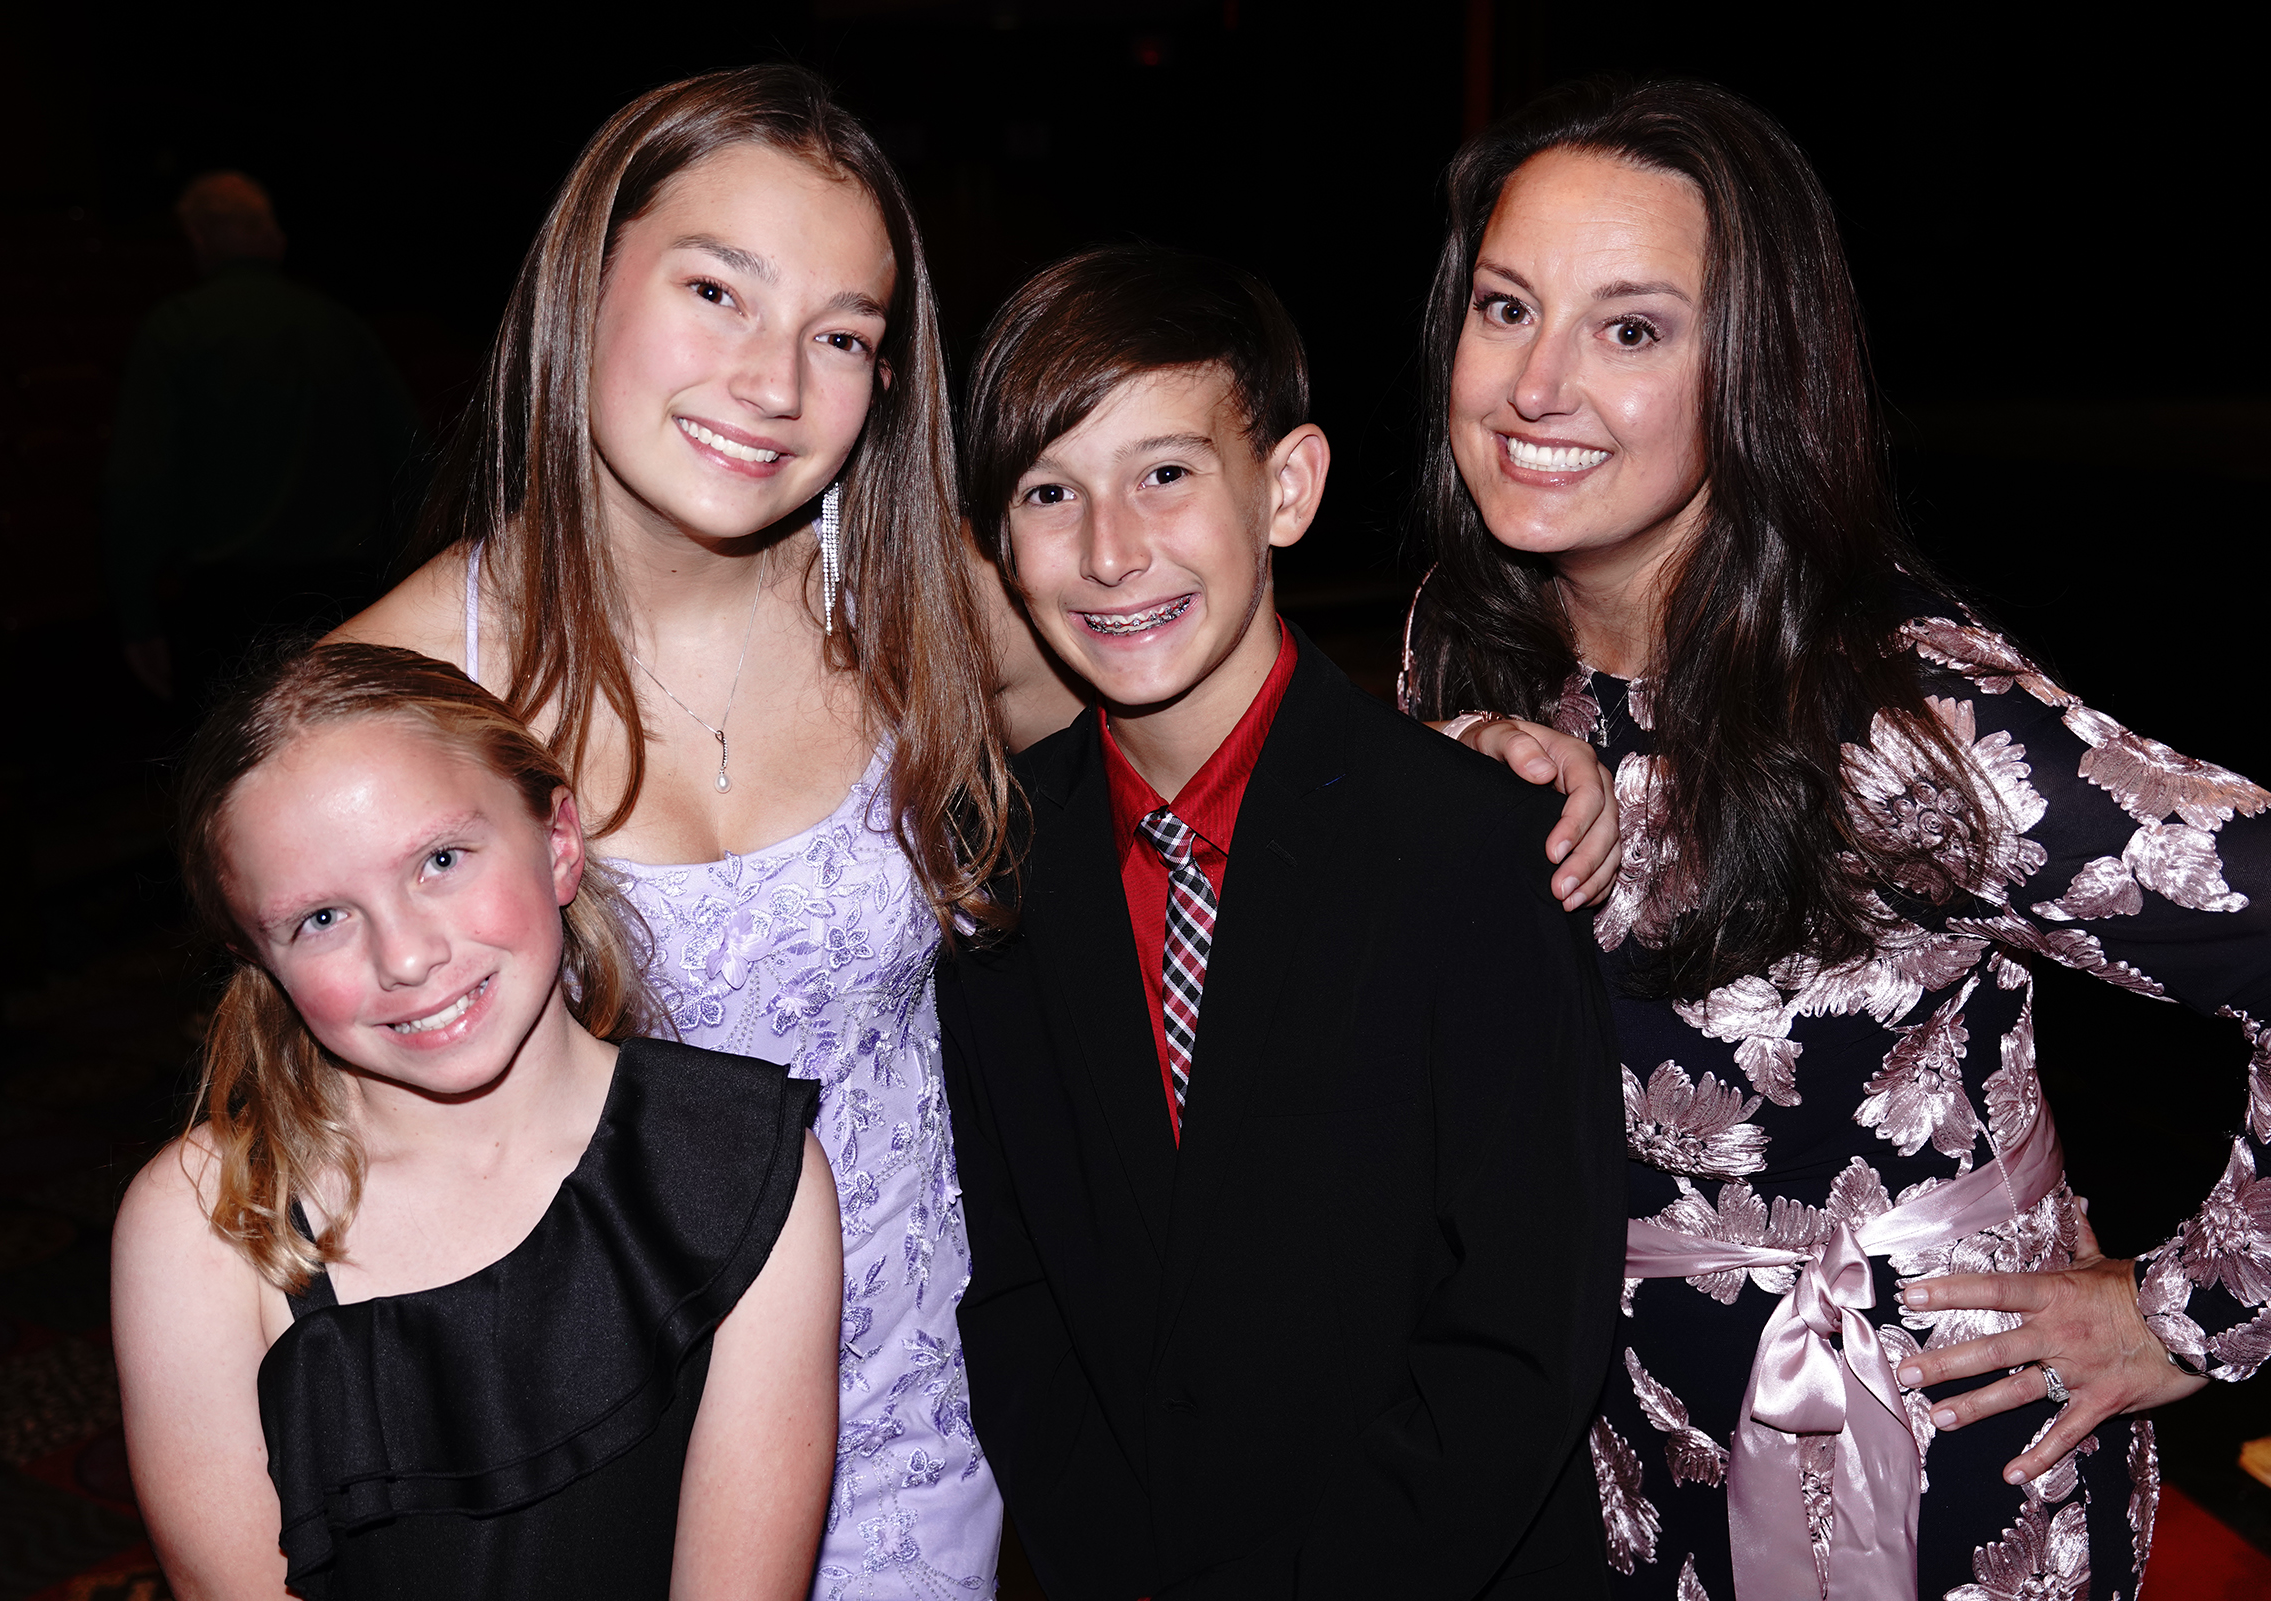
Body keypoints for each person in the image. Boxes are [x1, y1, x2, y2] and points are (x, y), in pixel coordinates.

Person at [334, 66, 1626, 1595]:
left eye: (841, 335)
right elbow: (329, 1159)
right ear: (584, 277)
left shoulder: (917, 590)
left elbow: (1183, 703)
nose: (770, 381)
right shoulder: (387, 703)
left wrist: (1452, 769)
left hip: (920, 1423)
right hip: (609, 1428)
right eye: (716, 291)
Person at [1399, 76, 2271, 1600]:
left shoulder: (1902, 726)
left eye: (1630, 330)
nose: (1537, 385)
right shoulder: (1463, 647)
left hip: (1926, 1463)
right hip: (1611, 1449)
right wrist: (1440, 813)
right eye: (1506, 306)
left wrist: (2186, 1315)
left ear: (1757, 370)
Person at [939, 245, 1627, 1599]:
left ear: (1288, 487)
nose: (1111, 550)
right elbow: (1014, 1288)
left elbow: (1524, 1324)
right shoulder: (998, 865)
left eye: (1166, 473)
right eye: (1049, 493)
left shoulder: (1468, 842)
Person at [110, 642, 839, 1599]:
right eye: (321, 918)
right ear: (262, 962)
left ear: (559, 841)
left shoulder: (740, 1166)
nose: (406, 956)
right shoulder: (205, 1225)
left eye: (441, 860)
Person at [104, 172, 424, 710]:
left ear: (197, 237)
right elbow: (411, 459)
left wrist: (136, 617)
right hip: (343, 599)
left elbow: (139, 482)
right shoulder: (339, 325)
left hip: (226, 611)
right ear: (270, 237)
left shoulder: (177, 328)